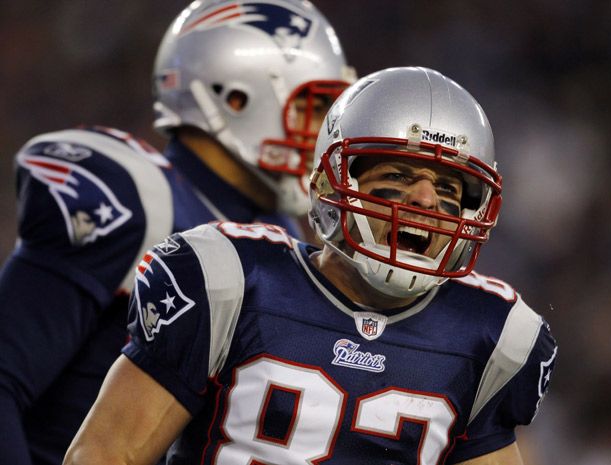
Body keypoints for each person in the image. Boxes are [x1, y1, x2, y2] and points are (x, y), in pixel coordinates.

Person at [63, 67, 557, 465]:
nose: (424, 200)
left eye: (448, 189)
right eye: (399, 175)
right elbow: (109, 452)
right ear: (332, 182)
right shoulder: (231, 281)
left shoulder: (490, 335)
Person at [0, 1, 354, 464]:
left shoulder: (282, 237)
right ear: (235, 97)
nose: (328, 134)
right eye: (315, 108)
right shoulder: (136, 196)